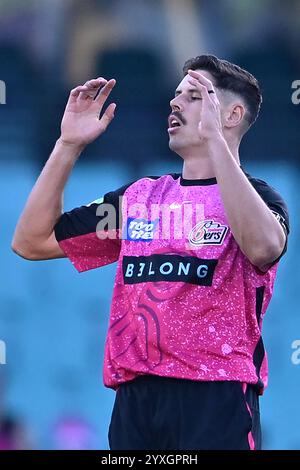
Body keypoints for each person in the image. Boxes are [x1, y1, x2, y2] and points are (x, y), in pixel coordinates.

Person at [12, 55, 289, 450]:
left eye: (194, 96)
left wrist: (214, 142)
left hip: (215, 397)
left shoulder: (260, 198)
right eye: (176, 95)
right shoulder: (139, 198)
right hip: (135, 401)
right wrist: (68, 145)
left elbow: (263, 248)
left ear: (232, 115)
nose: (175, 104)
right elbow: (31, 241)